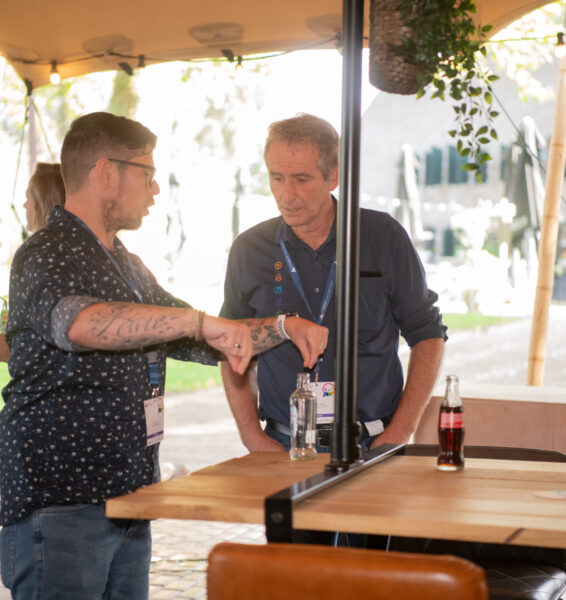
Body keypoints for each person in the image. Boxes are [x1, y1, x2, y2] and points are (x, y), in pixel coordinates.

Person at [0, 112, 327, 600]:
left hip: (130, 499)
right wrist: (198, 322)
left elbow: (200, 338)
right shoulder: (47, 252)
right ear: (105, 172)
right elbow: (79, 323)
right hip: (63, 502)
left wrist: (283, 327)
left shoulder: (126, 263)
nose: (155, 189)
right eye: (147, 173)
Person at [220, 113, 447, 455]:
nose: (287, 194)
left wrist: (400, 431)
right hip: (282, 446)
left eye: (302, 179)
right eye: (277, 178)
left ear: (334, 176)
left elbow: (428, 334)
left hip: (371, 444)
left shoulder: (382, 237)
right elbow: (231, 346)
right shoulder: (249, 249)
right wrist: (253, 437)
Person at [0, 163, 66, 363]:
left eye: (28, 197)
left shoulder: (39, 255)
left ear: (43, 202)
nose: (24, 205)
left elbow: (29, 347)